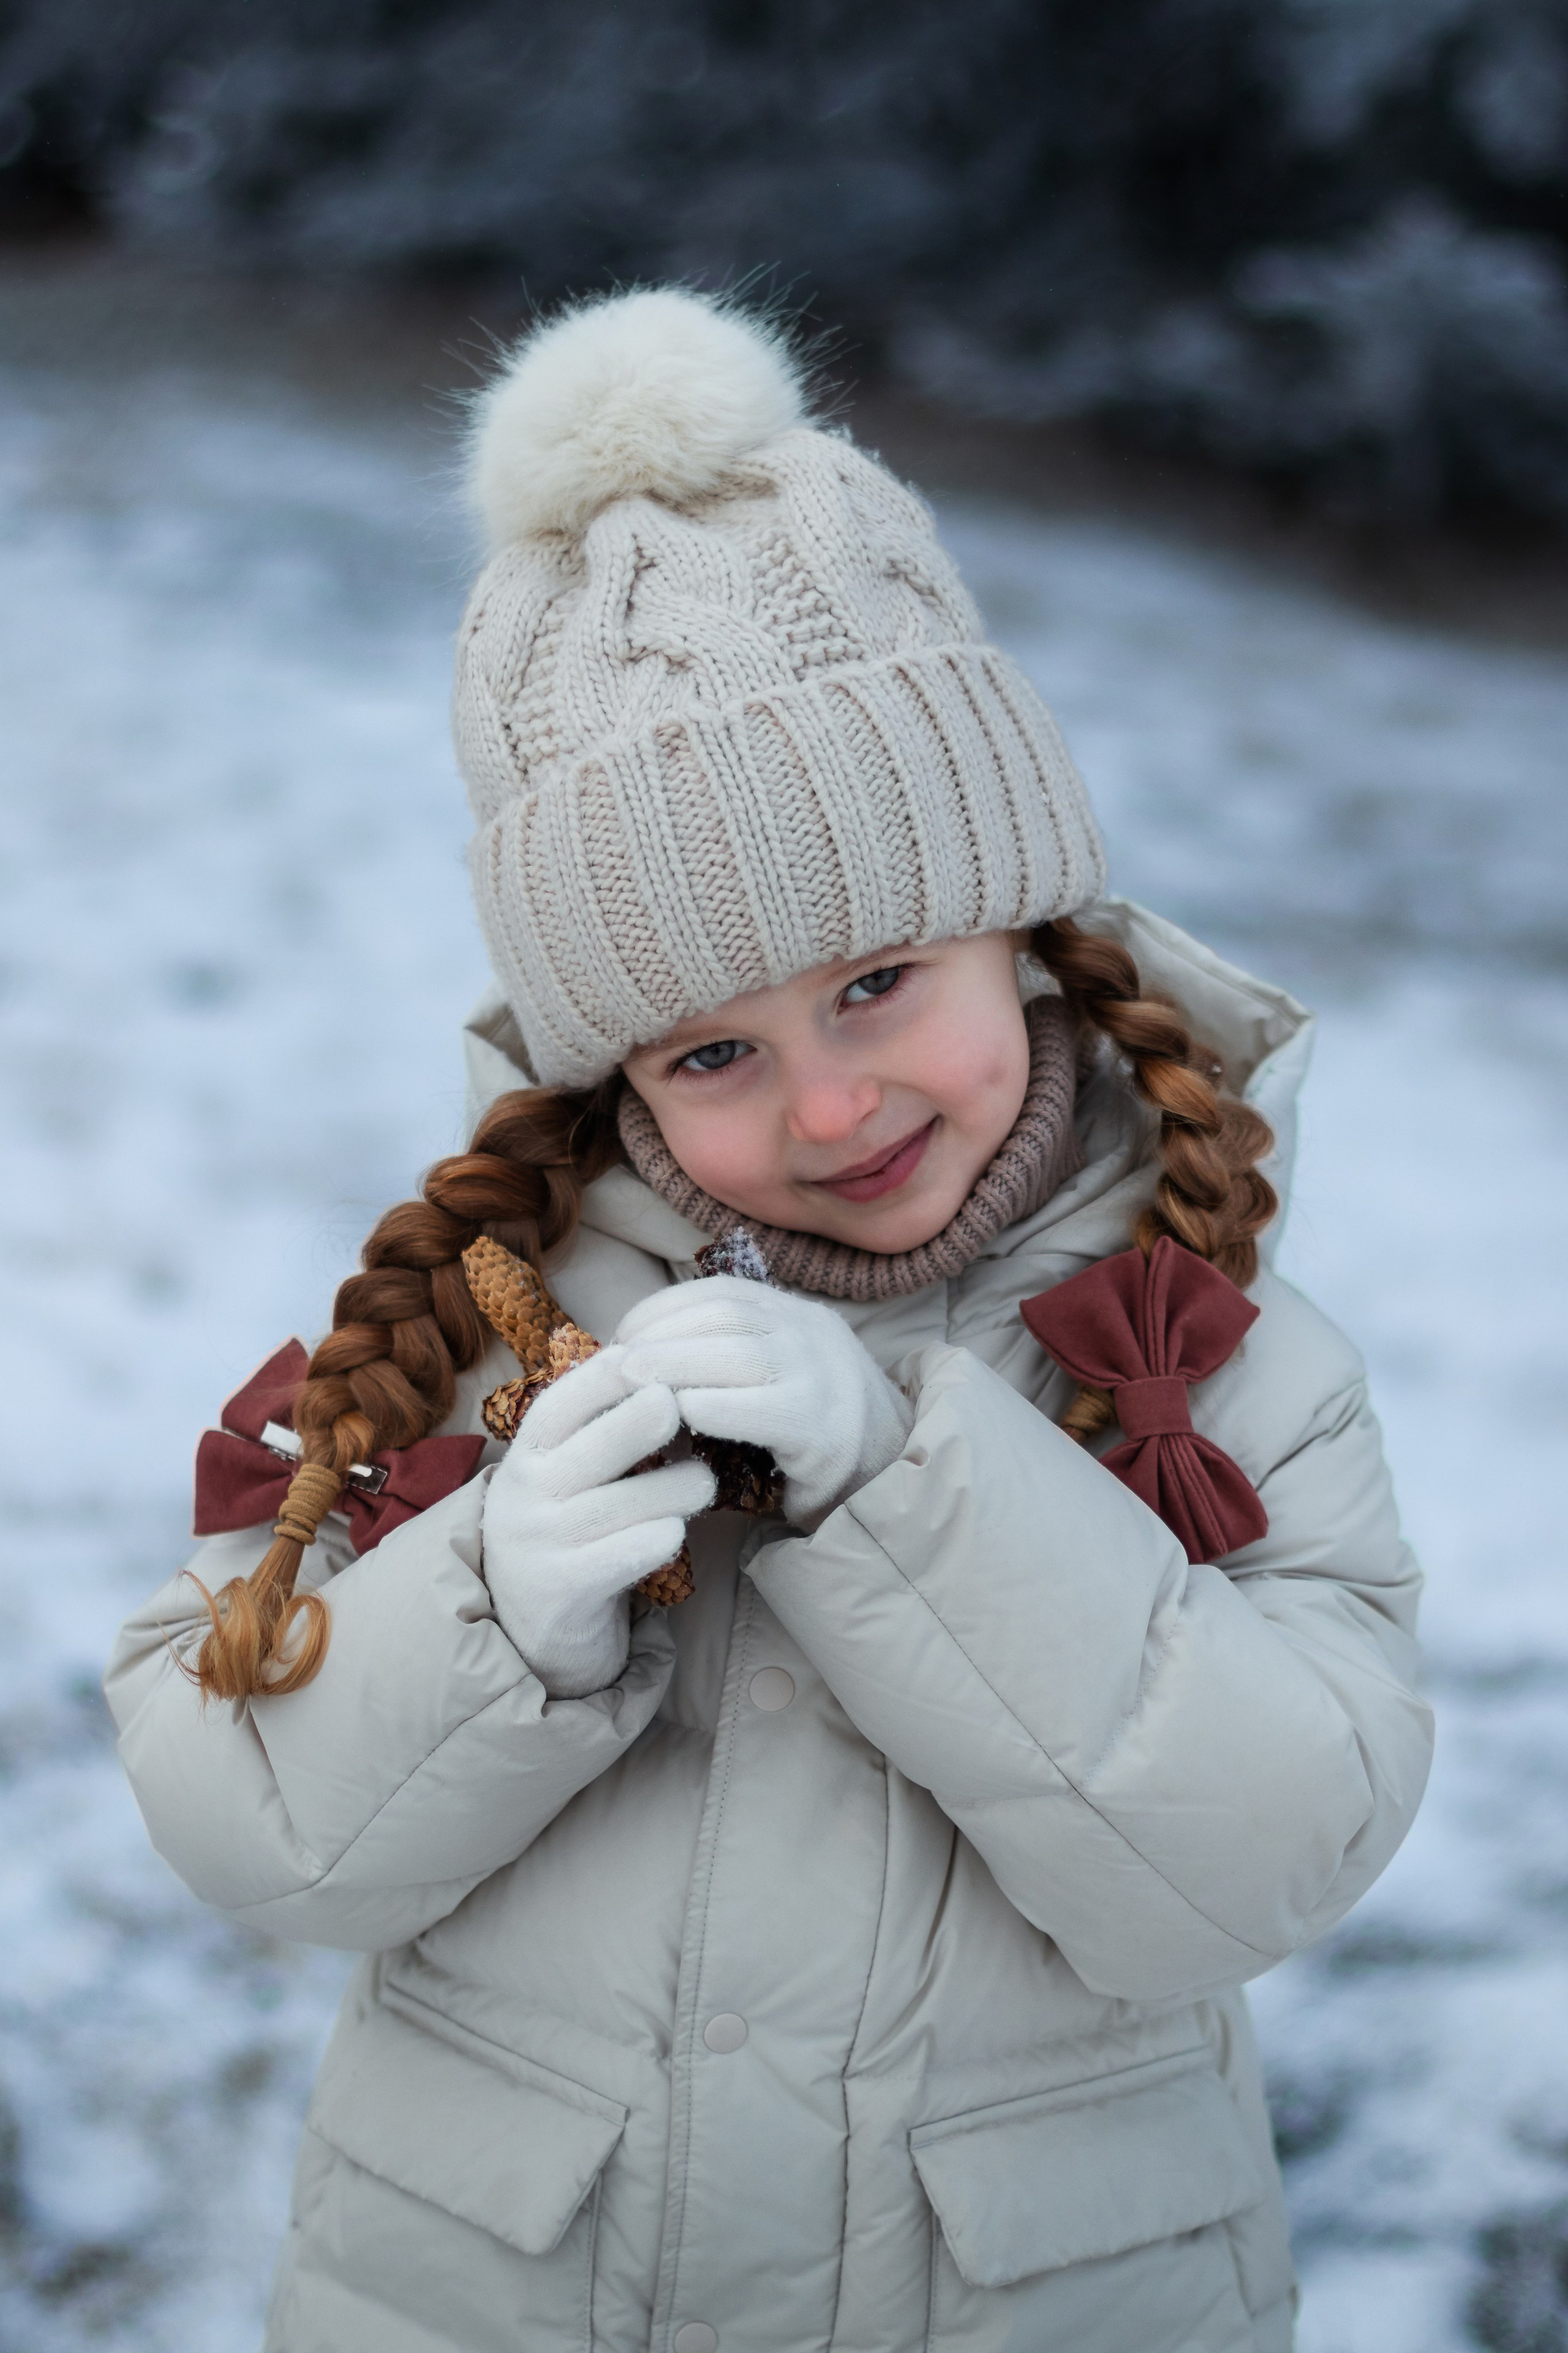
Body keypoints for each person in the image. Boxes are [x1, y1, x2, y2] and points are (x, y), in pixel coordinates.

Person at [105, 286, 1433, 2353]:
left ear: (1021, 916)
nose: (829, 1104)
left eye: (880, 979)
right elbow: (245, 1825)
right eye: (710, 1053)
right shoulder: (462, 1329)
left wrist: (919, 1485)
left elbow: (1266, 1859)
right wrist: (491, 1610)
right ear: (613, 1076)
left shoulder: (1222, 1354)